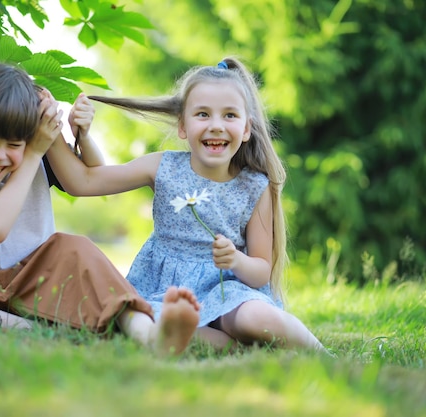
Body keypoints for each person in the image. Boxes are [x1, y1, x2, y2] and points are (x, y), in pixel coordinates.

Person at [0, 61, 200, 356]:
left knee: (75, 247)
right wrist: (32, 153)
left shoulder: (35, 149)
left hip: (36, 281)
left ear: (29, 136)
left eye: (14, 145)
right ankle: (31, 330)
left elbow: (90, 179)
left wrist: (79, 136)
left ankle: (148, 334)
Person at [46, 57, 328, 352]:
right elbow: (84, 182)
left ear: (247, 129)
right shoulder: (163, 167)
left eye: (230, 115)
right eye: (203, 114)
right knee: (141, 323)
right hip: (164, 291)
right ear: (183, 126)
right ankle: (229, 347)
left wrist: (235, 260)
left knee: (256, 317)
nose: (216, 126)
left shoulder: (255, 186)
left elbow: (260, 270)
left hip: (227, 292)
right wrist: (54, 131)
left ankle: (322, 354)